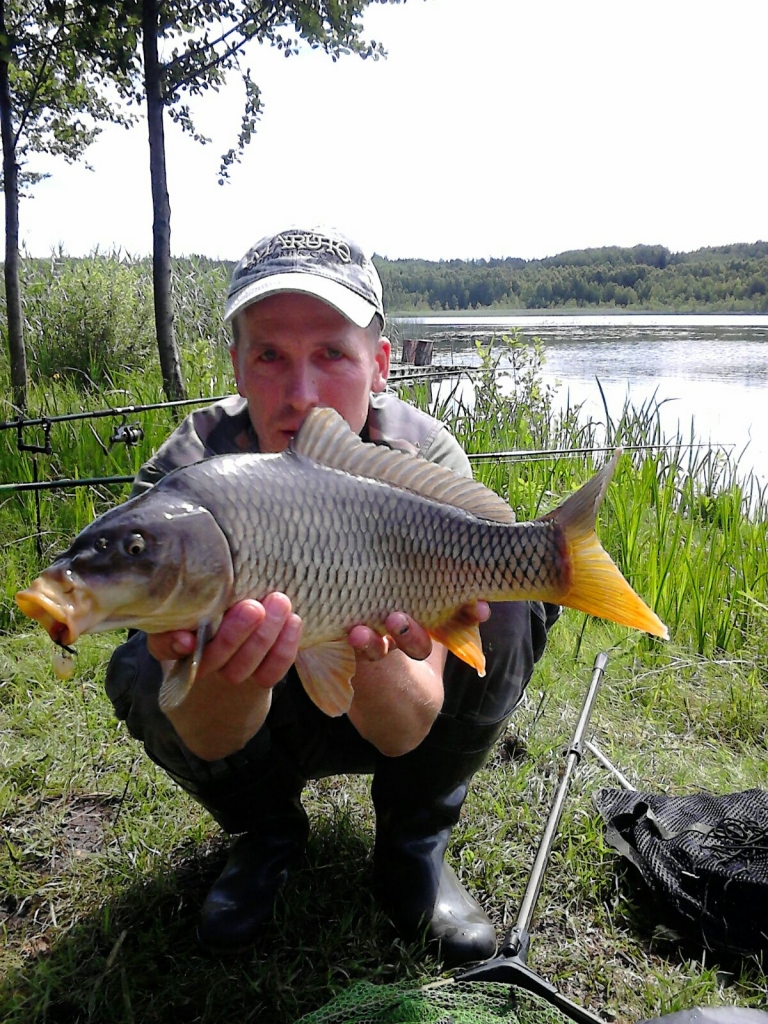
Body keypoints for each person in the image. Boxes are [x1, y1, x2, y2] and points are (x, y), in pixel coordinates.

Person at [105, 227, 558, 968]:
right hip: (259, 719)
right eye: (271, 355)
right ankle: (265, 832)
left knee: (507, 602)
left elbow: (405, 724)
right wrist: (226, 670)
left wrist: (369, 639)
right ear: (237, 365)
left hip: (381, 697)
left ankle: (415, 842)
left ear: (380, 365)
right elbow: (207, 733)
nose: (302, 392)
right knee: (141, 665)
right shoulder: (188, 474)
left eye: (332, 356)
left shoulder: (423, 454)